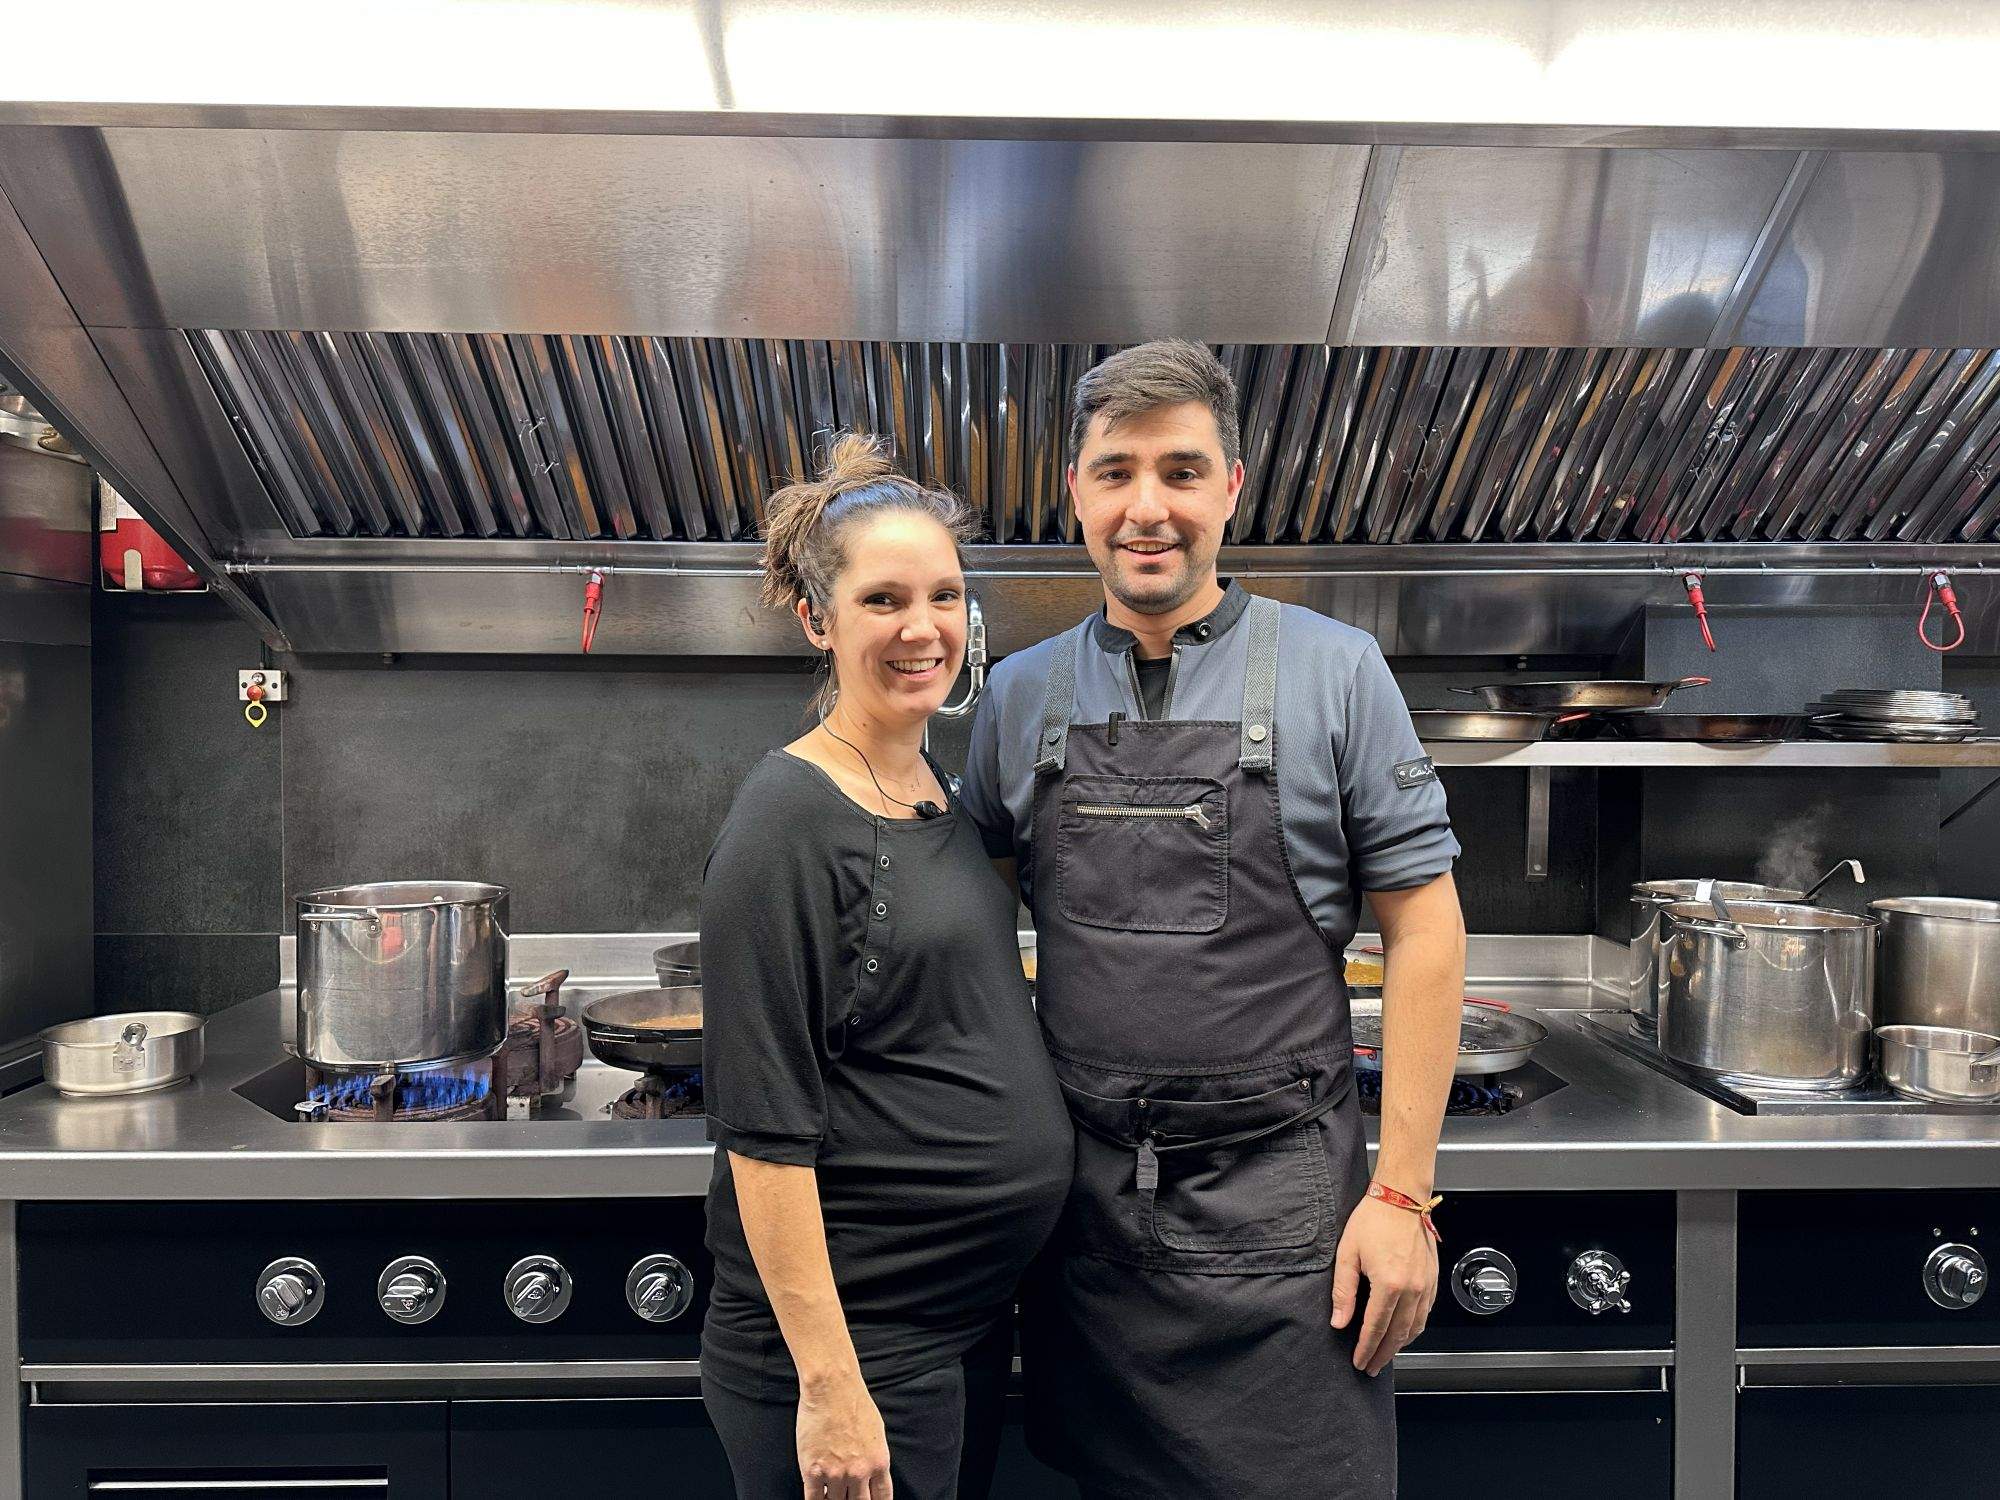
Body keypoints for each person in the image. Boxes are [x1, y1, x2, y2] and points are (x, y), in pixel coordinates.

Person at [962, 340, 1467, 1498]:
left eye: (1182, 471)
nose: (1149, 508)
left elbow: (1425, 932)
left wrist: (1400, 1197)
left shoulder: (1337, 674)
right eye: (1116, 471)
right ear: (1075, 491)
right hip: (1083, 1229)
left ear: (1231, 488)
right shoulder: (1014, 696)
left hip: (1286, 1224)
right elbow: (977, 952)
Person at [698, 433, 1072, 1500]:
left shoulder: (929, 788)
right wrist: (829, 1384)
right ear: (817, 619)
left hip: (948, 1329)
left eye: (946, 596)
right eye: (884, 601)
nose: (924, 629)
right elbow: (763, 1136)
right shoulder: (785, 821)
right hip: (853, 1350)